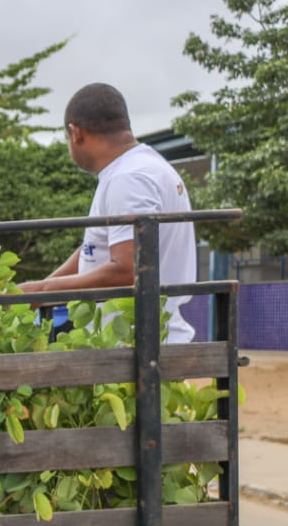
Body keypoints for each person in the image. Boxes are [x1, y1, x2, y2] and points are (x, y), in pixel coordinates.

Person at [19, 82, 198, 343]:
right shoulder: (144, 167)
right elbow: (98, 248)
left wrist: (43, 289)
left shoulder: (128, 178)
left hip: (138, 345)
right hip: (142, 338)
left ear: (75, 133)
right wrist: (38, 290)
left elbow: (129, 270)